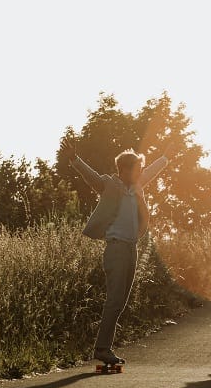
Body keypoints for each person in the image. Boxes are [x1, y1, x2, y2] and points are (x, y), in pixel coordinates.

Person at [59, 140, 176, 365]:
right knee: (114, 301)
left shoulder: (137, 186)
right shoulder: (110, 185)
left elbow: (151, 170)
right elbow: (90, 176)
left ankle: (104, 347)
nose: (140, 172)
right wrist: (74, 159)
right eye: (136, 169)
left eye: (140, 170)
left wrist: (165, 157)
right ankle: (102, 349)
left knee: (120, 302)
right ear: (123, 170)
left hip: (131, 248)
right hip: (116, 248)